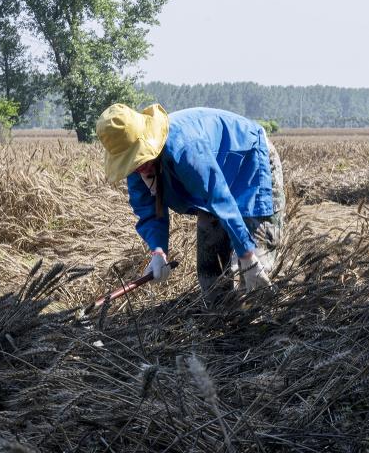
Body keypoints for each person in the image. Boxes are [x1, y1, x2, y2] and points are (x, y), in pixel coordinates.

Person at [96, 104, 285, 304]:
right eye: (132, 161)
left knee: (257, 272)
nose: (138, 166)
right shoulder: (136, 168)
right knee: (210, 274)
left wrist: (247, 255)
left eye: (138, 156)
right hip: (211, 189)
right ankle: (221, 323)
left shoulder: (183, 146)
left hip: (250, 163)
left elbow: (218, 196)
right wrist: (158, 250)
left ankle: (264, 325)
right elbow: (150, 211)